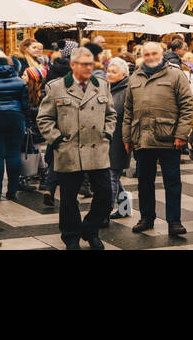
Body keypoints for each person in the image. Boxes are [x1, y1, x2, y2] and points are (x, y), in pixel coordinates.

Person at [36, 47, 115, 250]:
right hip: (69, 150)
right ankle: (71, 237)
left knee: (106, 195)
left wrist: (107, 133)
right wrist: (57, 139)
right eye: (83, 64)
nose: (88, 68)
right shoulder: (56, 87)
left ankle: (90, 230)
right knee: (69, 199)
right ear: (73, 65)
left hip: (97, 149)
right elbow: (44, 118)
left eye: (91, 64)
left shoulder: (102, 86)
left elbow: (111, 115)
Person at [122, 39, 193, 237]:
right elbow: (128, 110)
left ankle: (174, 221)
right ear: (142, 57)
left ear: (161, 54)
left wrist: (181, 134)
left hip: (169, 138)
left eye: (154, 54)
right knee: (144, 181)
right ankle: (146, 217)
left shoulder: (176, 74)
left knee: (172, 181)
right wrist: (127, 137)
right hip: (142, 138)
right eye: (147, 54)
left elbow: (188, 106)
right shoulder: (135, 77)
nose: (151, 57)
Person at [0, 50, 28, 201]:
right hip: (15, 118)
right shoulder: (20, 81)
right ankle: (12, 191)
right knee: (14, 154)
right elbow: (25, 104)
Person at [105, 57, 131, 223]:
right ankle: (125, 207)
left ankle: (104, 214)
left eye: (113, 72)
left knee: (111, 176)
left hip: (119, 139)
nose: (109, 74)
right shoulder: (108, 88)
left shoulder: (127, 91)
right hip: (107, 138)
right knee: (113, 175)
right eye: (108, 70)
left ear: (123, 74)